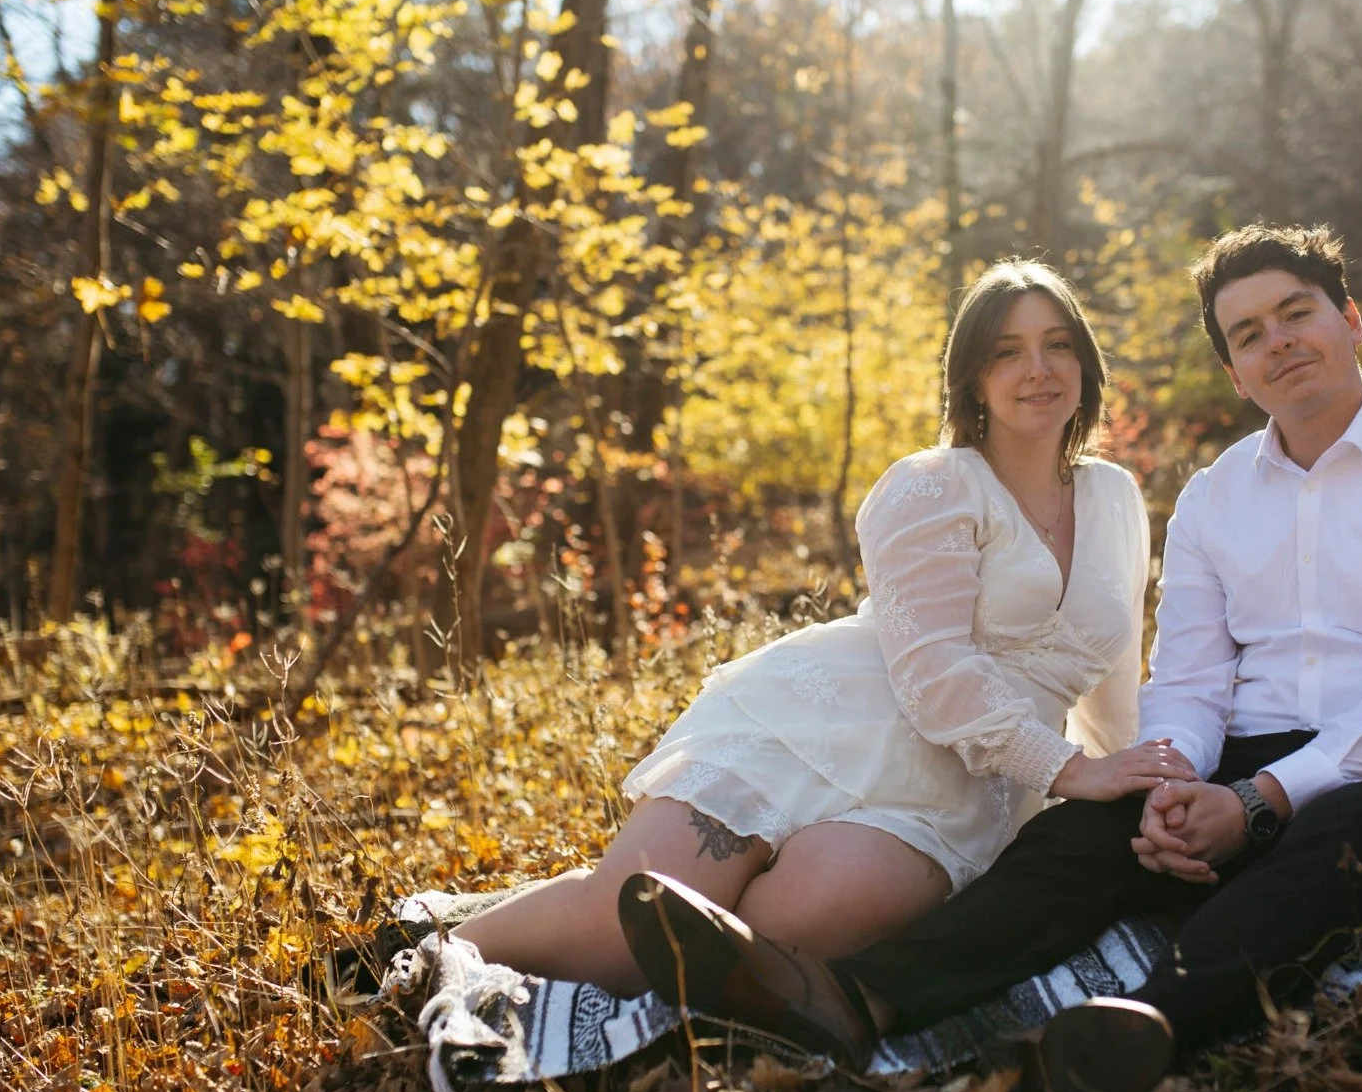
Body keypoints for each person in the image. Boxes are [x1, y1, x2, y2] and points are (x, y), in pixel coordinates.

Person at [622, 224, 1362, 1092]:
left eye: (1297, 313)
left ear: (1351, 320)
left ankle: (1134, 1029)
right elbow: (1191, 681)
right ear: (1233, 369)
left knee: (1345, 835)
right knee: (1075, 834)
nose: (1278, 342)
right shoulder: (1214, 500)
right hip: (1247, 761)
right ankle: (854, 996)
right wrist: (1171, 778)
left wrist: (1255, 805)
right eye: (1249, 333)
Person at [449, 258, 1179, 1001]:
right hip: (826, 722)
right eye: (1007, 351)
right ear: (973, 379)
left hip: (967, 793)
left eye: (1058, 344)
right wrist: (1068, 768)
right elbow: (934, 674)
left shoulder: (1116, 497)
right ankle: (440, 948)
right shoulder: (933, 485)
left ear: (1085, 362)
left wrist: (1132, 783)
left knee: (784, 934)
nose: (1038, 368)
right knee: (627, 933)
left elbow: (1114, 683)